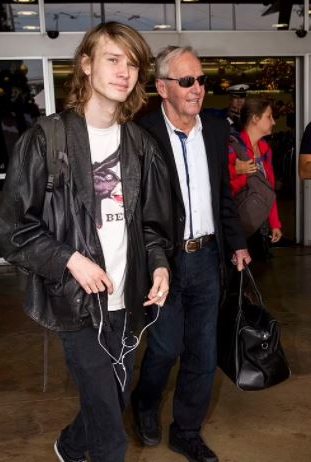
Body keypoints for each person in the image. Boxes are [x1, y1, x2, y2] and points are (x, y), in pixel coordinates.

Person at [0, 22, 173, 462]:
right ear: (86, 65)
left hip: (128, 301)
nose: (124, 71)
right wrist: (70, 259)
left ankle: (71, 445)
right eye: (113, 59)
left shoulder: (139, 144)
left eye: (132, 63)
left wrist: (160, 264)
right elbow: (13, 229)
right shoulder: (45, 139)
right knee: (111, 434)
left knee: (112, 400)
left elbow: (152, 225)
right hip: (75, 303)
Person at [131, 46, 251, 462]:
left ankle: (186, 430)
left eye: (201, 80)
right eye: (186, 81)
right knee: (165, 347)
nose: (197, 88)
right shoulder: (143, 134)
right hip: (163, 261)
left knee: (203, 350)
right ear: (162, 88)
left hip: (207, 258)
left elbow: (223, 197)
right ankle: (145, 404)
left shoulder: (216, 131)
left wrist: (236, 242)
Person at [228, 97, 282, 259]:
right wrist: (236, 171)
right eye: (269, 116)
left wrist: (275, 224)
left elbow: (268, 189)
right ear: (255, 119)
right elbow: (221, 186)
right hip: (239, 228)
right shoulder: (233, 148)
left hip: (259, 229)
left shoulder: (265, 150)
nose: (273, 122)